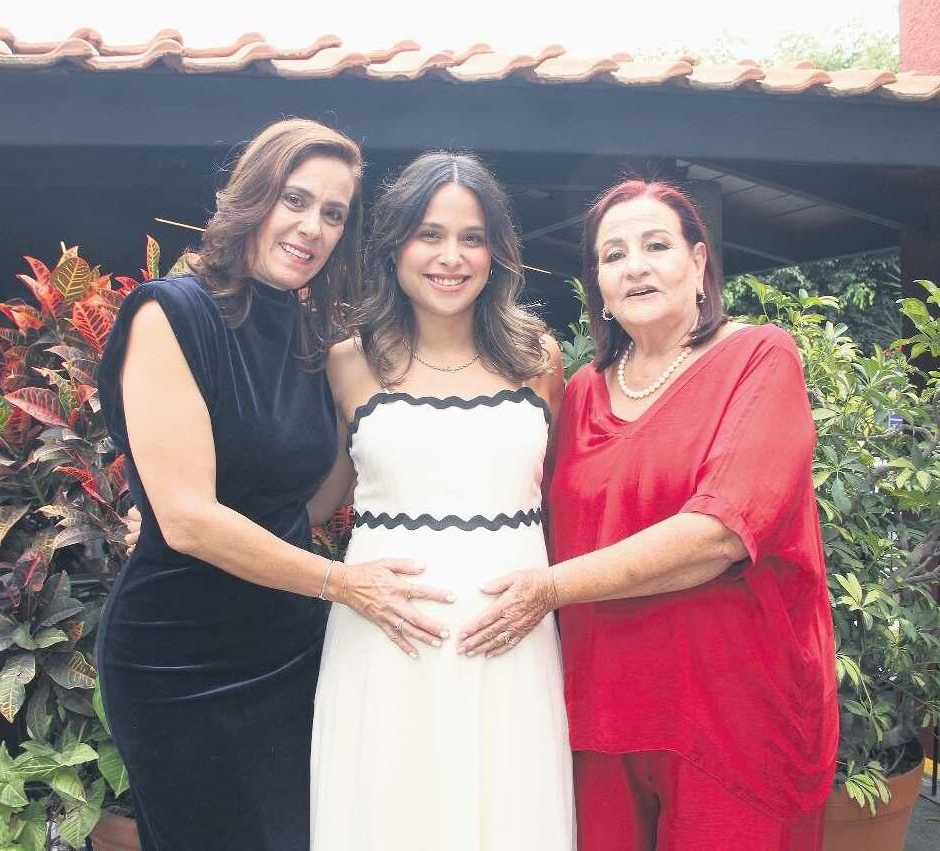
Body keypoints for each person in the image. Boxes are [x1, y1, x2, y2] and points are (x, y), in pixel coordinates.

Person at [96, 119, 454, 851]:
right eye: (295, 199)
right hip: (179, 658)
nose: (311, 227)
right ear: (251, 197)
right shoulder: (172, 313)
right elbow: (188, 519)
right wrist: (343, 582)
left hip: (290, 647)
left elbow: (307, 501)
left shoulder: (309, 336)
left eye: (333, 213)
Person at [459, 179, 838, 849]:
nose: (634, 266)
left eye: (655, 245)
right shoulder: (580, 392)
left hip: (732, 716)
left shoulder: (758, 357)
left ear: (698, 261)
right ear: (598, 287)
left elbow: (718, 533)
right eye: (613, 255)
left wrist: (548, 588)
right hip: (601, 715)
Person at [309, 152, 574, 850]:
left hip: (512, 642)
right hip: (384, 641)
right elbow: (316, 497)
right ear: (395, 244)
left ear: (495, 253)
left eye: (471, 237)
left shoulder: (538, 359)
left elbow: (565, 496)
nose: (450, 256)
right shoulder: (347, 360)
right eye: (429, 234)